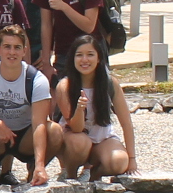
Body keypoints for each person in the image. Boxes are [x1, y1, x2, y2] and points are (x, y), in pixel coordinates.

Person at [0, 24, 54, 187]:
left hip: (24, 137)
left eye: (17, 47)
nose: (12, 52)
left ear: (24, 51)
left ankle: (35, 173)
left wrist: (40, 164)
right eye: (7, 47)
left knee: (55, 131)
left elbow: (39, 124)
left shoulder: (37, 79)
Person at [54, 34, 137, 180]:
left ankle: (92, 175)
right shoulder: (65, 86)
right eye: (79, 55)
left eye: (90, 55)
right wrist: (80, 109)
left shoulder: (110, 83)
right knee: (80, 142)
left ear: (98, 58)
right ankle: (69, 174)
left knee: (118, 162)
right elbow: (76, 128)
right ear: (72, 59)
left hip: (102, 138)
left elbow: (126, 123)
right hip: (74, 138)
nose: (84, 60)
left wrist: (132, 158)